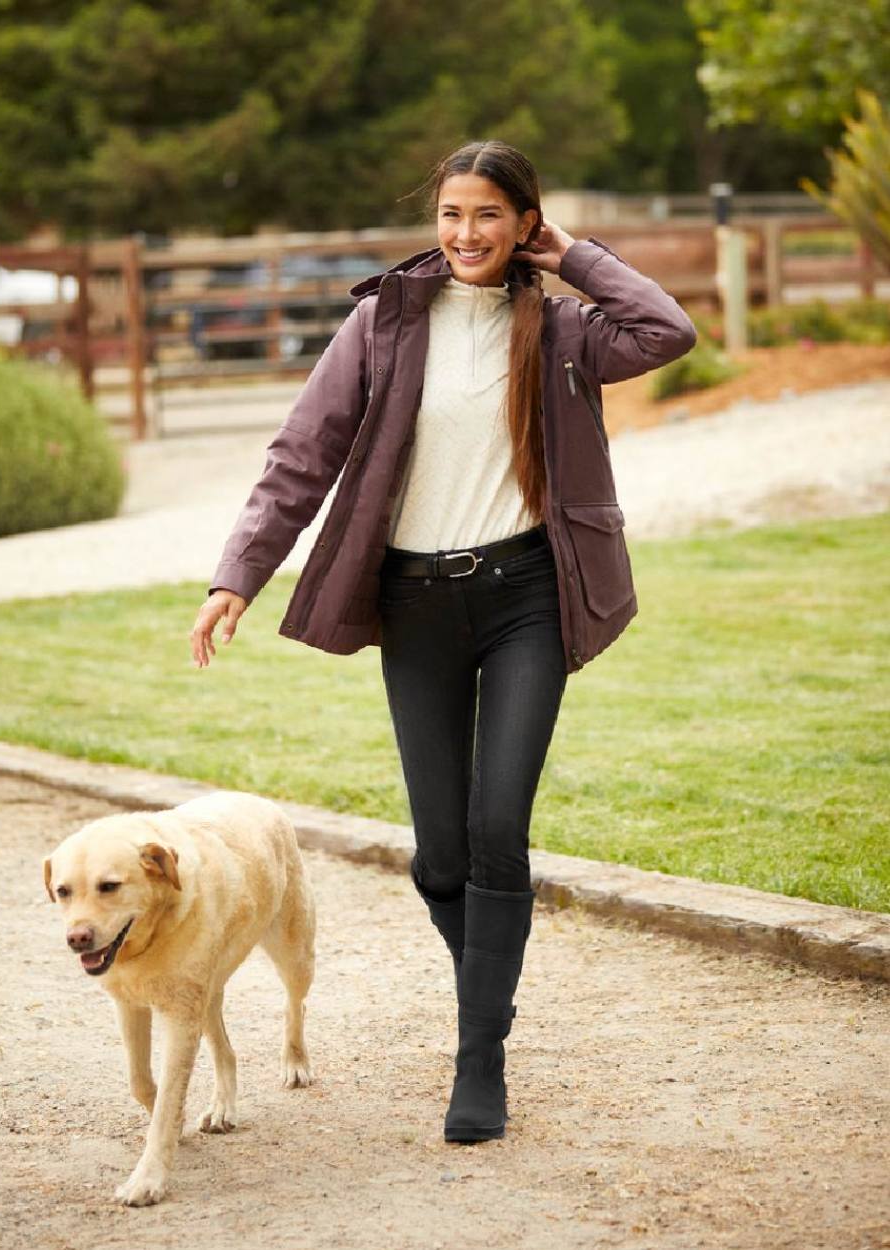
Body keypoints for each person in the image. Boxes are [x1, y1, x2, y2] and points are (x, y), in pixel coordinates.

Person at [190, 140, 697, 1144]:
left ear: (522, 225)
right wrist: (236, 573)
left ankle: (480, 1056)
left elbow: (667, 328)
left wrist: (574, 258)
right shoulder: (382, 324)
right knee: (438, 855)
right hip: (416, 607)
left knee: (496, 826)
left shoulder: (559, 327)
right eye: (451, 214)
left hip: (525, 599)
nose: (465, 234)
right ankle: (489, 1002)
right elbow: (301, 456)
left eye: (488, 216)